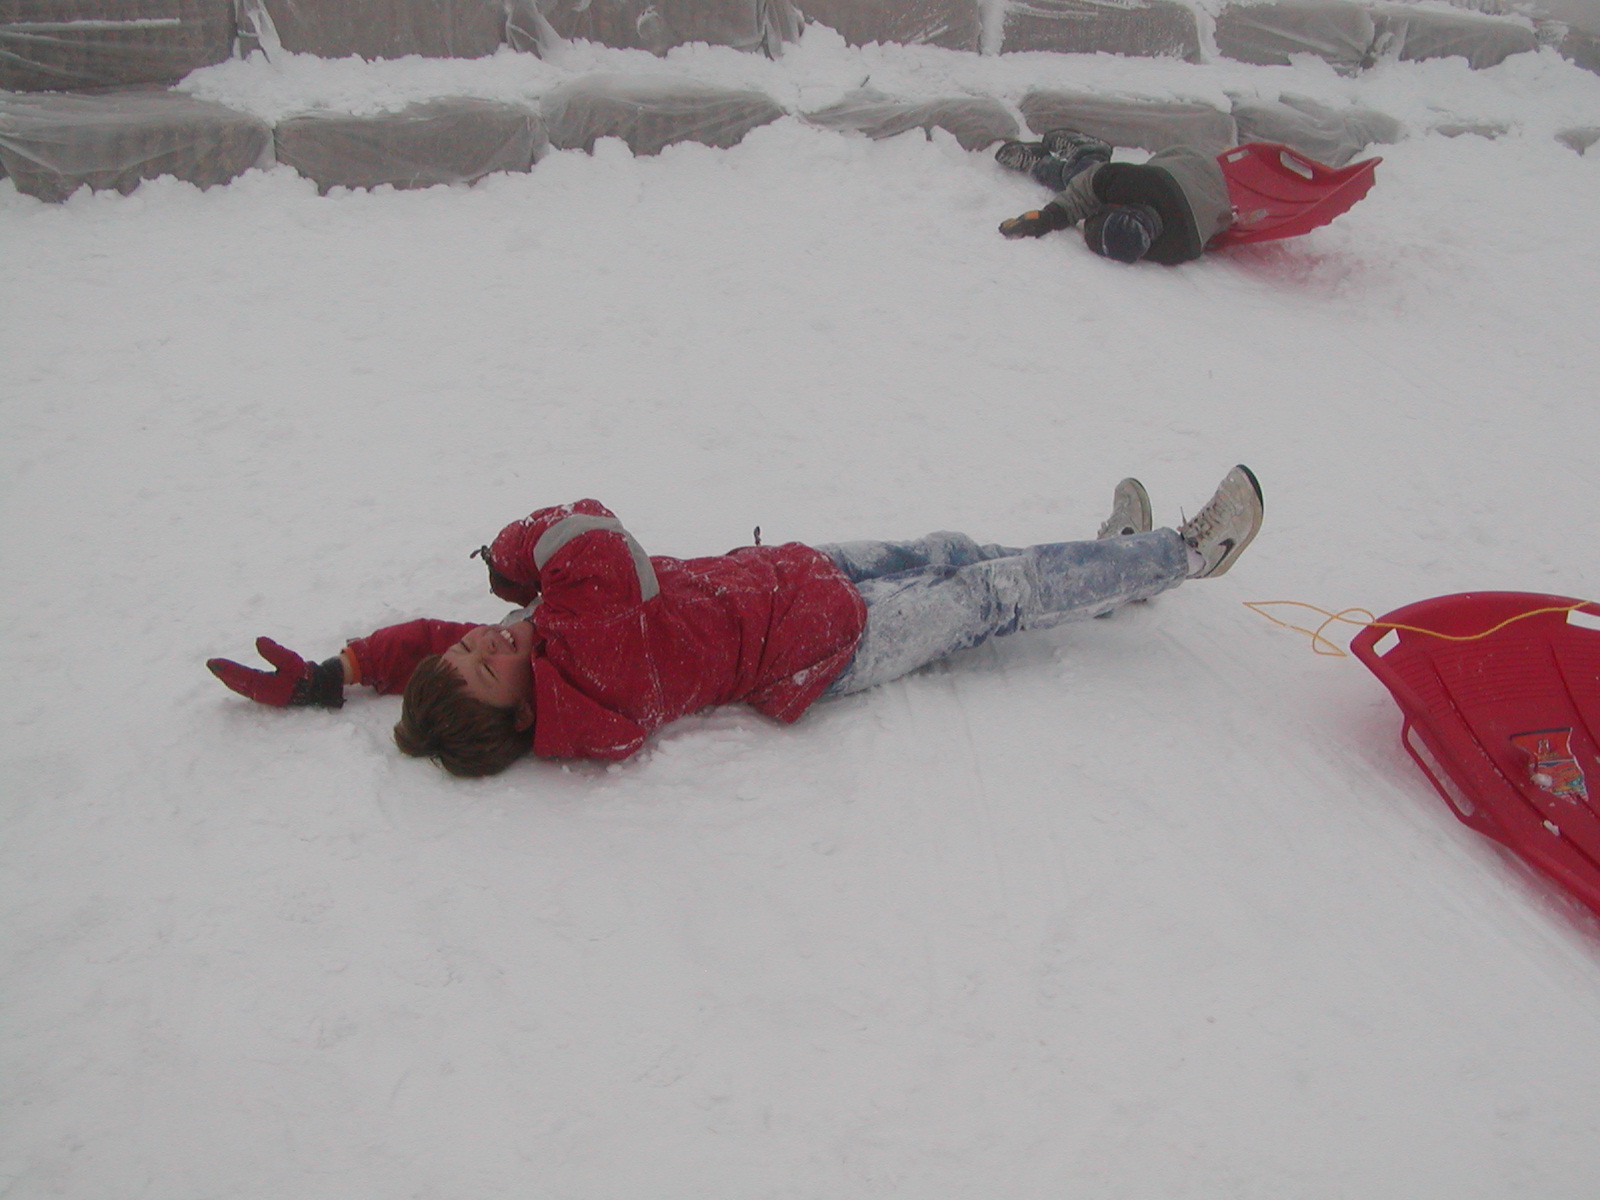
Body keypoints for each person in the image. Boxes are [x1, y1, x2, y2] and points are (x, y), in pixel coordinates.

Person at [207, 467, 1264, 776]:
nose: (482, 638)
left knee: (953, 547)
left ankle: (1115, 569)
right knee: (987, 598)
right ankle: (1179, 554)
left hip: (781, 576)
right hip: (826, 643)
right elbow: (589, 533)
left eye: (470, 647)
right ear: (524, 711)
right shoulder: (593, 658)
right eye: (487, 666)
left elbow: (422, 646)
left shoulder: (540, 653)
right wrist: (511, 556)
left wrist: (332, 675)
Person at [993, 128, 1233, 265]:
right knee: (1089, 183)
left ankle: (1051, 161)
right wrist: (1049, 217)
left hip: (1206, 182)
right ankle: (1087, 152)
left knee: (1091, 189)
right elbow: (1084, 190)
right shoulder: (1130, 182)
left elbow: (1221, 222)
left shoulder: (1181, 249)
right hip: (1183, 158)